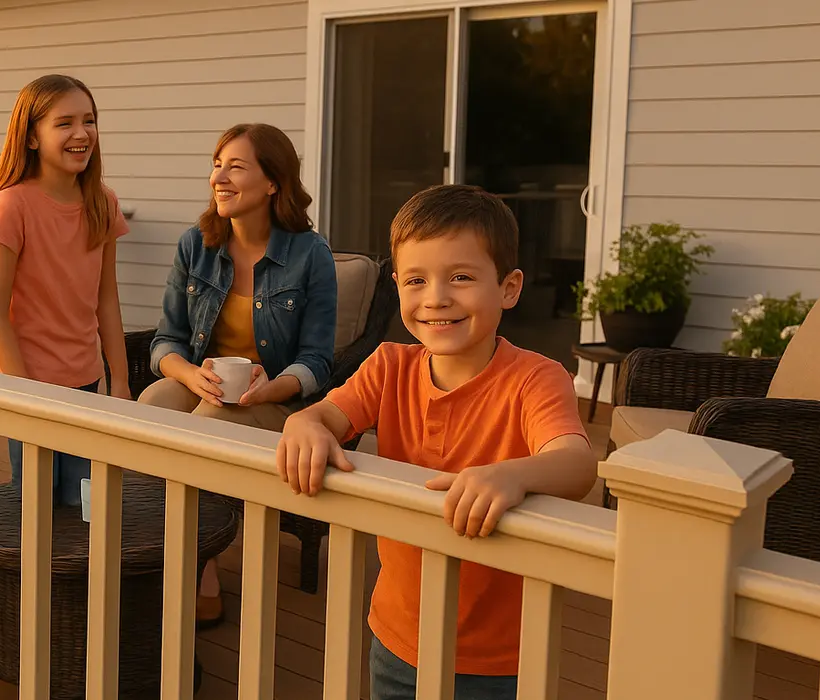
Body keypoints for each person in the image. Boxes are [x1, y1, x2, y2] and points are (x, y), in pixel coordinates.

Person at [276, 184, 597, 699]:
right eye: (416, 280)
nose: (436, 298)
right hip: (399, 635)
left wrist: (514, 473)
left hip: (499, 654)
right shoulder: (389, 366)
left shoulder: (537, 379)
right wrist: (304, 425)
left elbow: (578, 463)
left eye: (462, 278)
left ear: (509, 288)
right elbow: (325, 415)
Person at [141, 122, 338, 629]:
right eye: (216, 164)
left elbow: (318, 360)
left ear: (273, 182)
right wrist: (188, 373)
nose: (219, 177)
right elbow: (165, 342)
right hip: (205, 385)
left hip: (274, 401)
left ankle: (200, 567)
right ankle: (146, 550)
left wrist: (271, 386)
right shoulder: (196, 245)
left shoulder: (310, 254)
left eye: (236, 166)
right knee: (153, 405)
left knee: (207, 422)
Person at [0, 74, 130, 506]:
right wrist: (27, 395)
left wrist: (119, 380)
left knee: (85, 504)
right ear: (31, 137)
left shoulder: (104, 201)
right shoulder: (12, 205)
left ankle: (84, 576)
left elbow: (106, 299)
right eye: (64, 123)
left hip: (85, 380)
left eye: (89, 120)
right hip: (26, 382)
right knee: (38, 503)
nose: (82, 133)